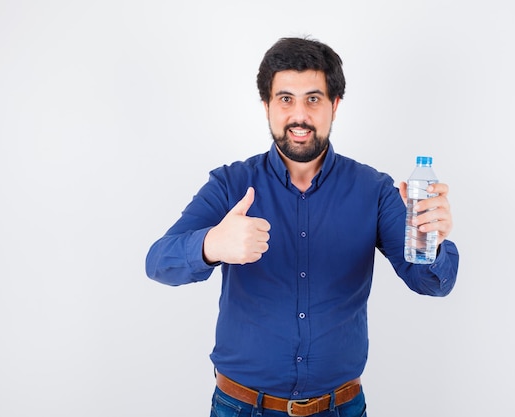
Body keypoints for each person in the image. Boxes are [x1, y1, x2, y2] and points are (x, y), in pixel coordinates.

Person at [146, 36, 459, 417]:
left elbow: (429, 282)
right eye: (285, 99)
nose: (299, 115)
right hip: (241, 408)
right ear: (266, 106)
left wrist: (433, 239)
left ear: (334, 106)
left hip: (340, 408)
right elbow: (158, 262)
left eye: (313, 99)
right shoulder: (230, 184)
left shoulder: (373, 190)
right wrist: (212, 244)